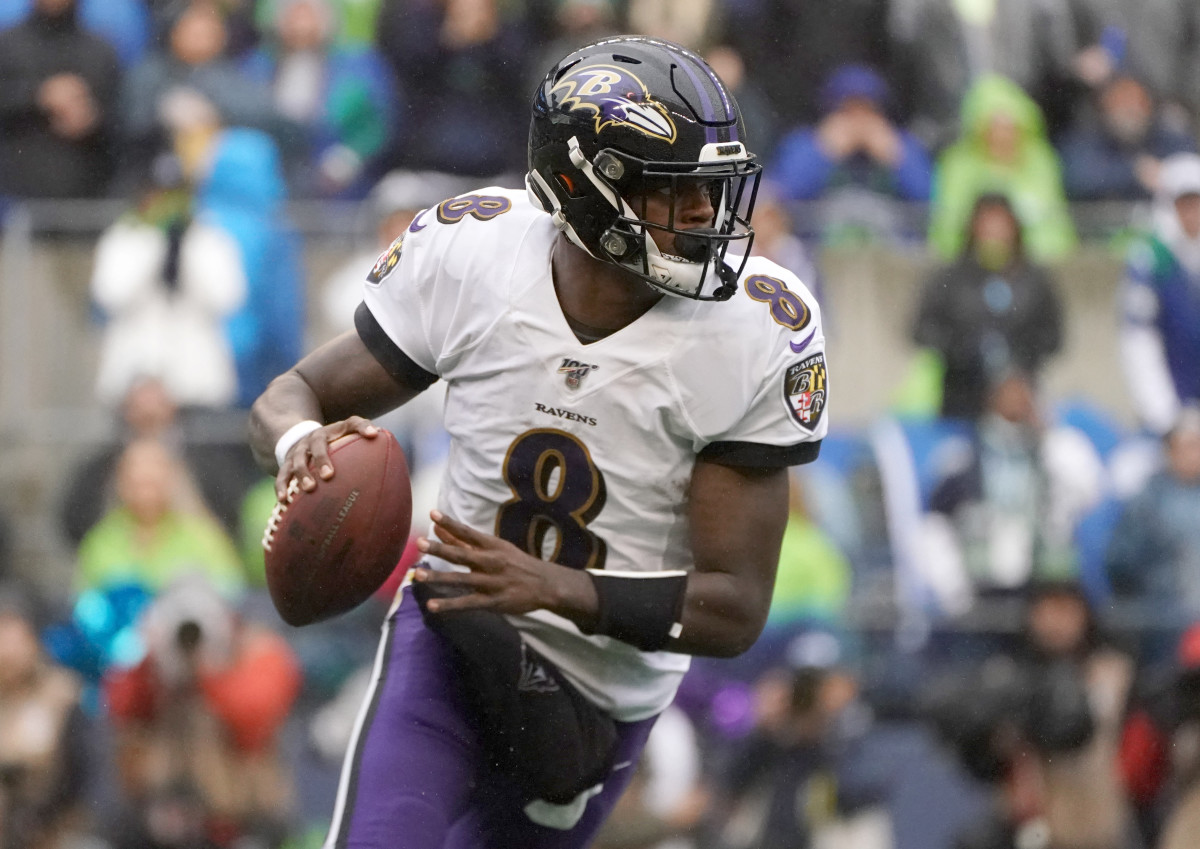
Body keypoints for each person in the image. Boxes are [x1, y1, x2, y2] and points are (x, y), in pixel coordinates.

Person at [247, 35, 829, 848]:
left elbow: (734, 607)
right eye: (674, 188)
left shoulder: (754, 329)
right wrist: (301, 446)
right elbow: (288, 397)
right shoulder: (476, 254)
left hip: (598, 696)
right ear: (583, 187)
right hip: (456, 627)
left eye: (712, 186)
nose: (707, 212)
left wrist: (552, 585)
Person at [913, 193, 1065, 421]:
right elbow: (923, 330)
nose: (994, 235)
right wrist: (965, 351)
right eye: (987, 226)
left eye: (1001, 226)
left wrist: (1017, 362)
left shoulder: (1034, 279)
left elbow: (1052, 336)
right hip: (961, 400)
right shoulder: (951, 278)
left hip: (1021, 401)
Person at [927, 74, 1077, 265]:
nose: (1003, 136)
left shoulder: (1040, 161)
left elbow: (1055, 223)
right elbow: (948, 226)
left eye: (1009, 127)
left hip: (1036, 265)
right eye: (994, 127)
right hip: (969, 265)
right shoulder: (957, 165)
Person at [0, 0, 122, 198]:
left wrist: (91, 119)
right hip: (14, 193)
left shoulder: (100, 49)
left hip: (86, 193)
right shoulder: (6, 45)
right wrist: (39, 96)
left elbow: (121, 123)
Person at [1118, 152, 1200, 436]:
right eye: (1184, 204)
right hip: (1173, 404)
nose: (1192, 214)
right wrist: (1164, 414)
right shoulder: (1150, 260)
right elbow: (1139, 340)